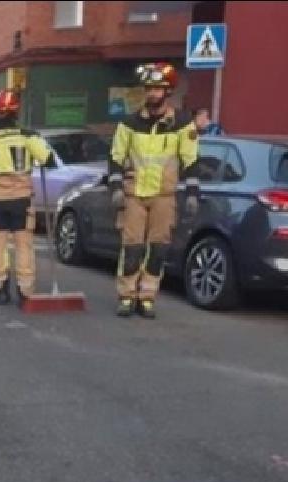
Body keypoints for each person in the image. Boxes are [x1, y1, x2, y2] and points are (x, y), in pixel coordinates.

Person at [109, 63, 200, 319]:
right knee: (132, 247)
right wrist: (116, 188)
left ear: (168, 91)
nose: (151, 93)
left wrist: (192, 193)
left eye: (157, 89)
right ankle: (127, 296)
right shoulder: (129, 123)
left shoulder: (182, 123)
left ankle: (147, 297)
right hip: (134, 194)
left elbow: (191, 160)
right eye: (148, 88)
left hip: (164, 195)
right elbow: (116, 157)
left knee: (158, 249)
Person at [0, 90, 53, 306]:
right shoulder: (27, 137)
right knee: (23, 244)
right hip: (21, 201)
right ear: (16, 113)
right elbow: (48, 159)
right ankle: (24, 290)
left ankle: (1, 287)